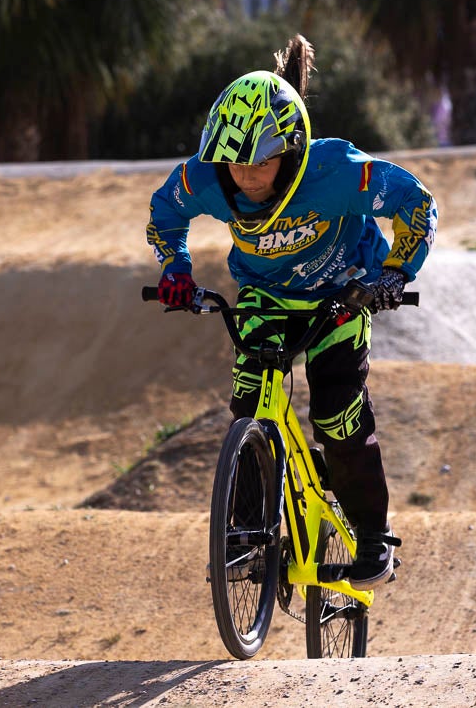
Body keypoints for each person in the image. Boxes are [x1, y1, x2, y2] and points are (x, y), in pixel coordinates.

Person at [145, 34, 437, 588]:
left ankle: (373, 537)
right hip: (265, 298)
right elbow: (165, 216)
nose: (248, 178)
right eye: (235, 166)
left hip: (343, 295)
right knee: (250, 402)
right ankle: (247, 533)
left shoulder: (340, 171)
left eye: (262, 164)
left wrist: (396, 272)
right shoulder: (205, 178)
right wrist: (175, 271)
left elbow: (417, 204)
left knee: (336, 416)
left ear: (294, 151)